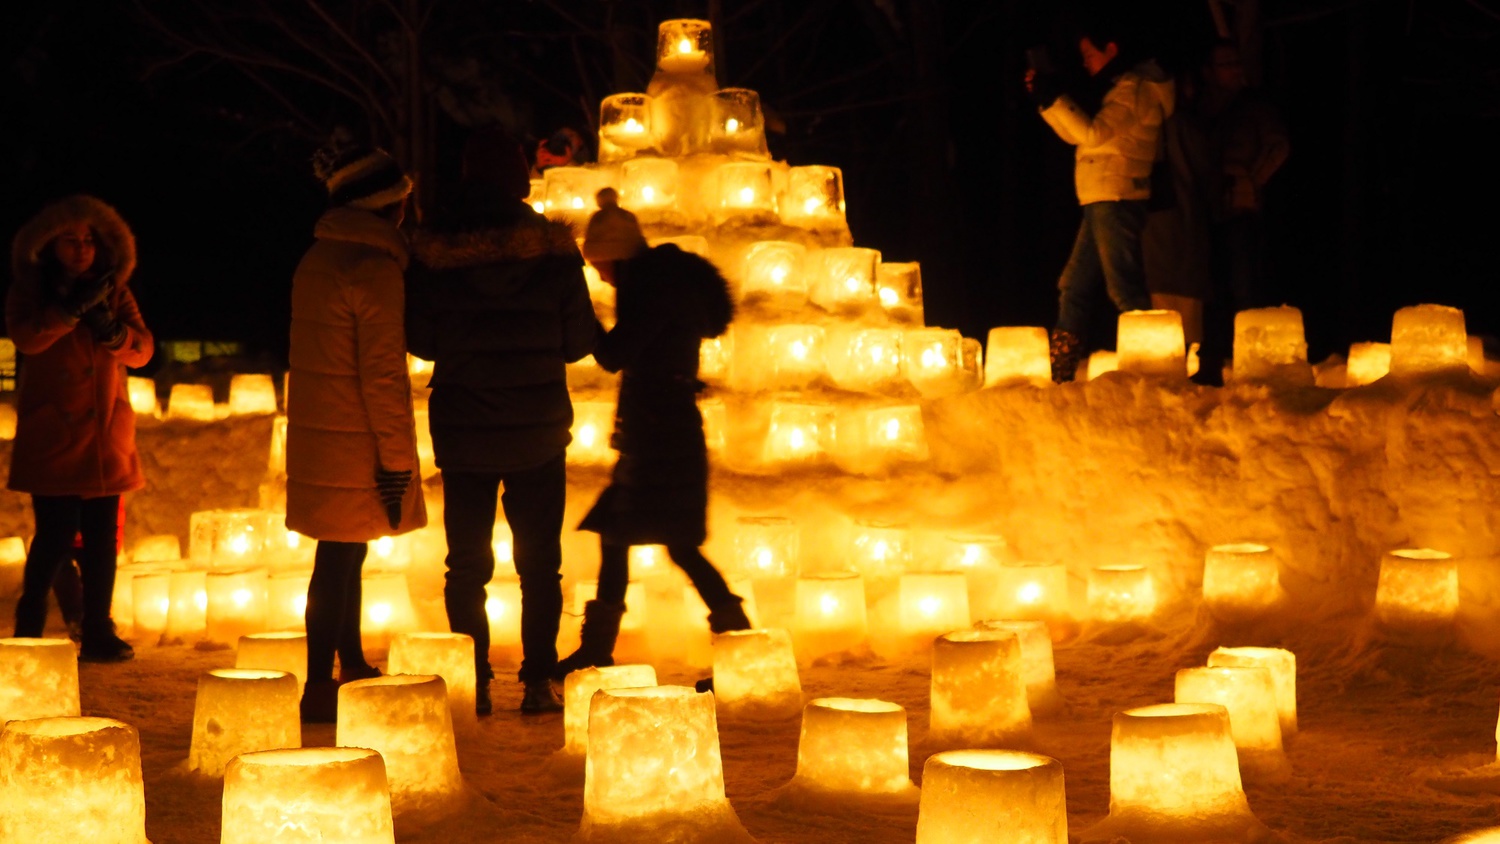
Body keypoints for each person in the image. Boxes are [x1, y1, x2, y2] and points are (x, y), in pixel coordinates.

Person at [408, 127, 602, 715]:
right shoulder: (551, 247)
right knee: (539, 562)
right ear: (517, 178)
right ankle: (538, 681)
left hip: (464, 427)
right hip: (538, 428)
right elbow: (577, 345)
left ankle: (478, 684)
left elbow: (419, 339)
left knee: (466, 564)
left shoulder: (433, 247)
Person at [554, 189, 750, 680]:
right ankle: (736, 642)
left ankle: (741, 644)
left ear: (615, 258)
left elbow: (616, 353)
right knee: (627, 536)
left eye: (599, 265)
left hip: (663, 436)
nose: (598, 275)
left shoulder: (656, 290)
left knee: (668, 541)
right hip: (660, 430)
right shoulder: (658, 286)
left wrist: (580, 314)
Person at [287, 145, 427, 722]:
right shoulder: (372, 268)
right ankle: (322, 682)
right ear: (389, 208)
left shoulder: (317, 259)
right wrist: (397, 460)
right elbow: (383, 375)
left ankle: (346, 664)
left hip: (323, 438)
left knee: (342, 556)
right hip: (359, 441)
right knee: (339, 561)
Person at [7, 195, 154, 661]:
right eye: (70, 240)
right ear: (49, 246)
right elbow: (27, 338)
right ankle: (28, 623)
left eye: (89, 240)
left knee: (102, 541)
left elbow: (143, 350)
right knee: (53, 535)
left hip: (105, 438)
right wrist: (66, 314)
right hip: (55, 437)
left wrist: (113, 332)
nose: (81, 249)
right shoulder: (30, 292)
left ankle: (98, 628)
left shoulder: (113, 291)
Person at [1027, 21, 1176, 381]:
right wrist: (1048, 100)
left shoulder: (1135, 89)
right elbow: (1082, 136)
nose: (1086, 63)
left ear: (1111, 49)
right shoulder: (1122, 88)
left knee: (1123, 287)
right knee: (1074, 286)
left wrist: (1053, 98)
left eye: (1089, 54)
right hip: (1102, 198)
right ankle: (1061, 373)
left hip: (1117, 197)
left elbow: (1091, 133)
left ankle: (1155, 367)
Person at [1196, 39, 1291, 384]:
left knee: (1243, 286)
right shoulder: (1203, 108)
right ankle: (1210, 362)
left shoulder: (1254, 105)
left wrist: (1251, 180)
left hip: (1240, 207)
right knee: (1211, 286)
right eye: (1225, 64)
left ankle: (1250, 362)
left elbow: (1278, 144)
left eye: (1236, 62)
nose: (1234, 69)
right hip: (1208, 207)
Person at [1143, 67, 1215, 352]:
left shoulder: (1150, 121)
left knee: (1163, 281)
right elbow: (1204, 166)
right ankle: (1180, 348)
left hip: (1155, 212)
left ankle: (1166, 349)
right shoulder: (1183, 123)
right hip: (1181, 211)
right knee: (1184, 279)